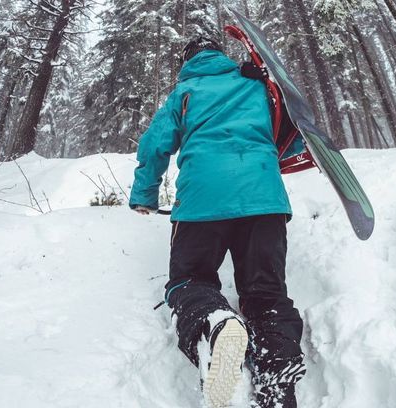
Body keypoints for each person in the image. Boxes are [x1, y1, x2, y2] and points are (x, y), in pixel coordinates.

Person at [129, 36, 306, 408]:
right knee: (266, 294)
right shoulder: (256, 83)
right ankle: (277, 387)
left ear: (186, 60)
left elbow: (155, 143)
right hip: (264, 200)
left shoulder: (186, 91)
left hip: (201, 203)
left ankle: (214, 323)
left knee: (188, 280)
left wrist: (145, 194)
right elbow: (290, 142)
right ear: (220, 55)